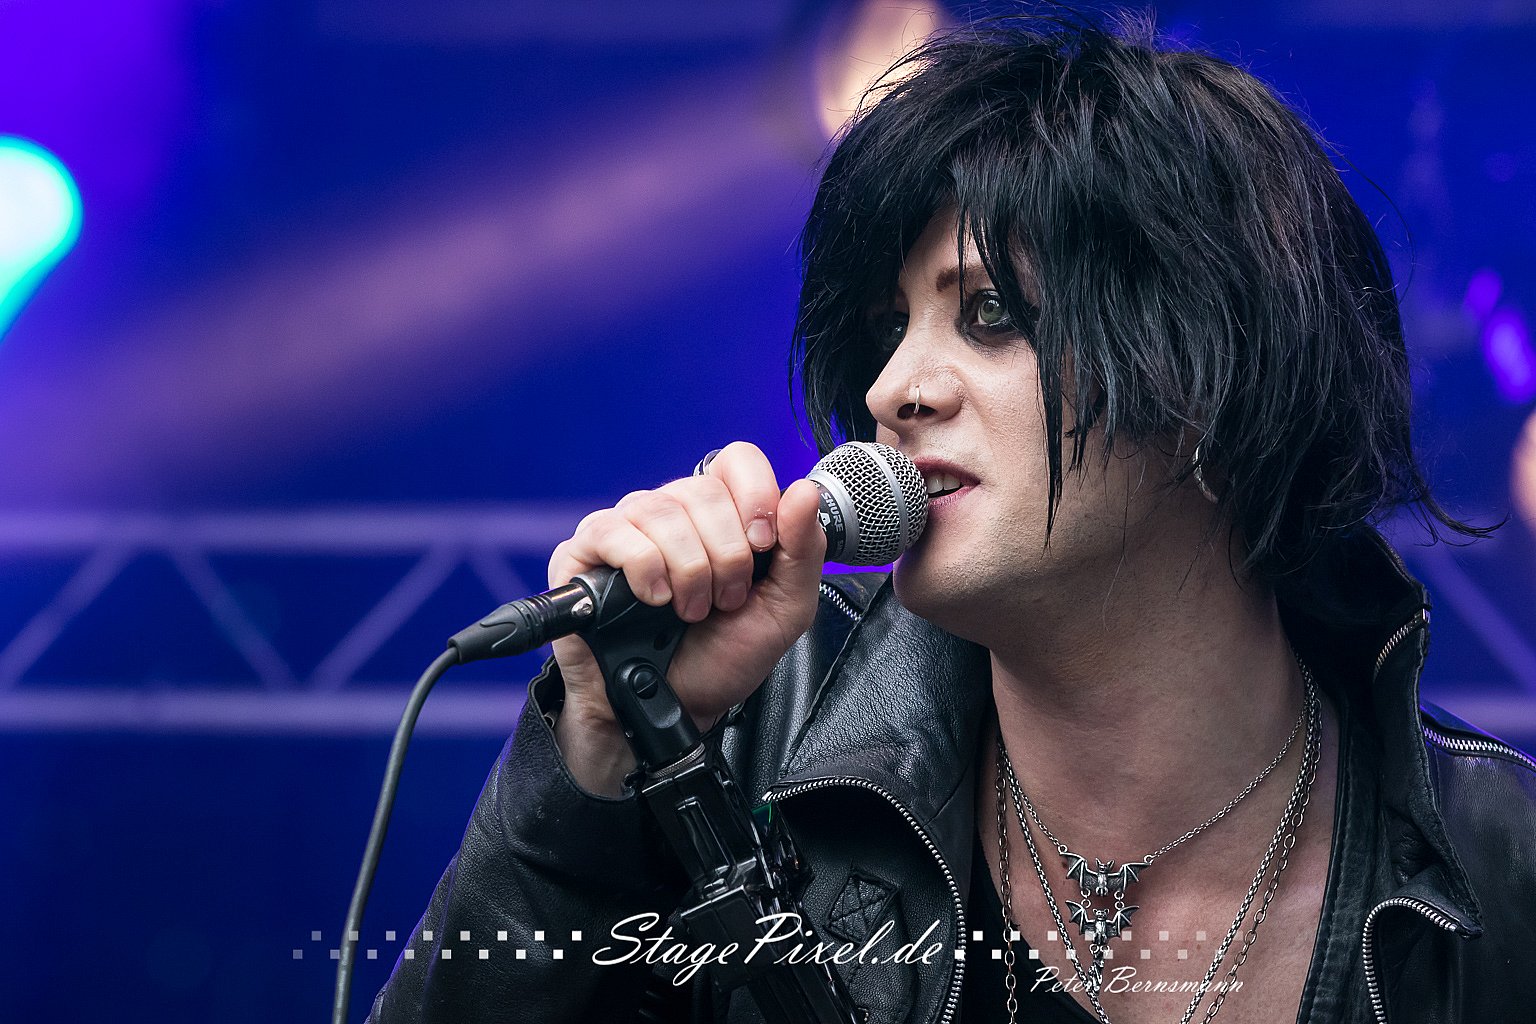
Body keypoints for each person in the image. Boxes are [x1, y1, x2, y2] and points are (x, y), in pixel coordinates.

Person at [368, 13, 1536, 1024]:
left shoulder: (1502, 863)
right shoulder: (738, 736)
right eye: (891, 329)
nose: (891, 390)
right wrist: (589, 785)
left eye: (987, 314)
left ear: (1209, 385)